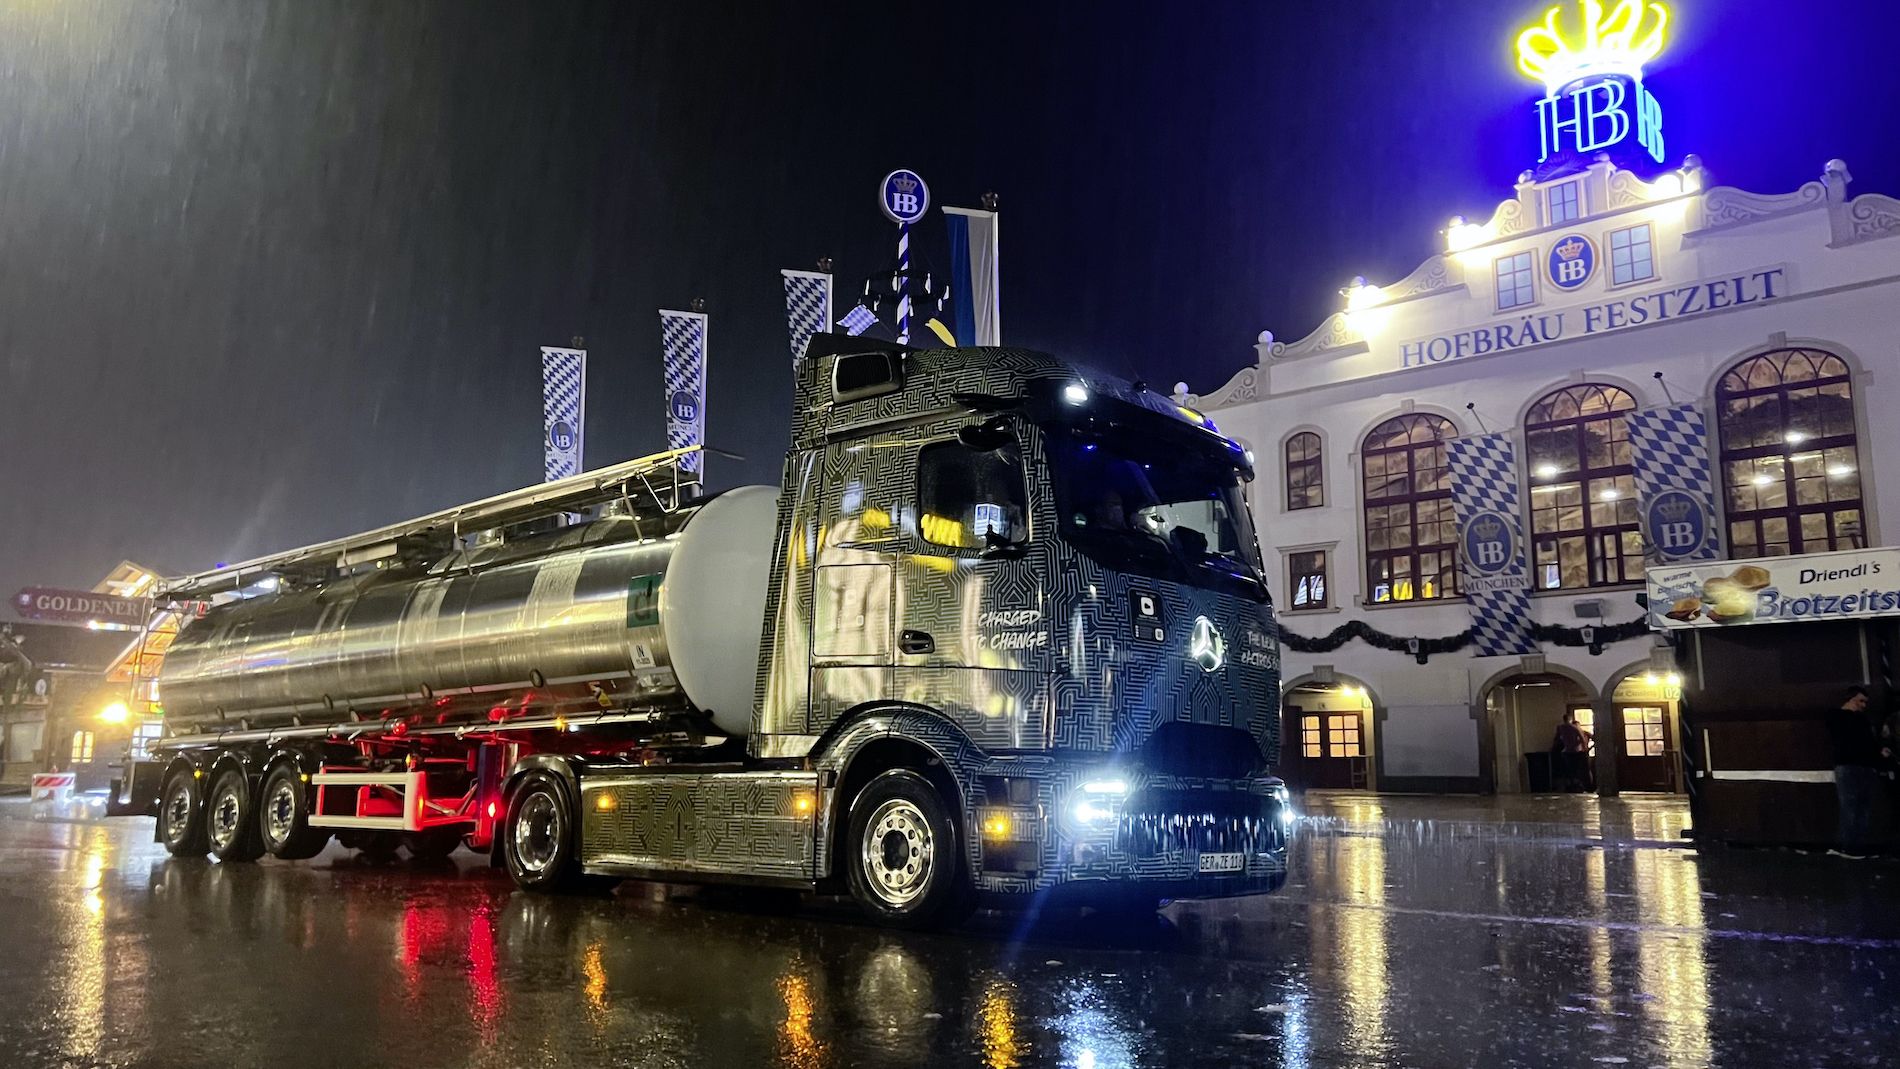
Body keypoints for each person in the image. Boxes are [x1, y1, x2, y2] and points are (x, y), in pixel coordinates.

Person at [1826, 686, 1891, 855]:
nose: (1863, 705)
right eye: (1860, 701)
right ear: (1850, 699)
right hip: (1850, 766)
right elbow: (1854, 742)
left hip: (1862, 766)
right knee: (1851, 807)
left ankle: (1854, 846)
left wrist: (1879, 756)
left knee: (1861, 808)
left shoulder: (1860, 720)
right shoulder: (1838, 717)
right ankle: (1847, 845)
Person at [1553, 710, 1593, 793]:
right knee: (1580, 770)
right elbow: (1581, 738)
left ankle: (1574, 786)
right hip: (1576, 751)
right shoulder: (1574, 728)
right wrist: (1585, 747)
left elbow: (1556, 738)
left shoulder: (1560, 727)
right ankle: (1582, 787)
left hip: (1568, 752)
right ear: (1570, 719)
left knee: (1570, 771)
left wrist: (1556, 747)